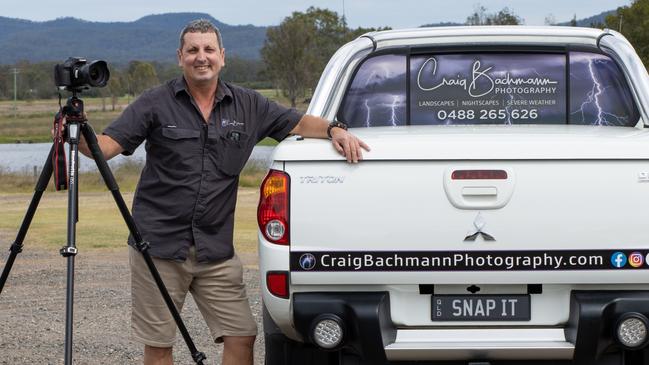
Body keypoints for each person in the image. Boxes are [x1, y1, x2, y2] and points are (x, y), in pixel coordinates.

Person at [73, 19, 369, 365]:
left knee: (242, 335)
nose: (202, 57)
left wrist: (335, 129)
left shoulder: (248, 105)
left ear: (222, 56)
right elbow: (105, 147)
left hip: (216, 248)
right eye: (193, 50)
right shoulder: (154, 103)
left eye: (209, 49)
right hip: (158, 246)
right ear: (180, 56)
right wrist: (73, 131)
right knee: (158, 344)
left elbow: (300, 123)